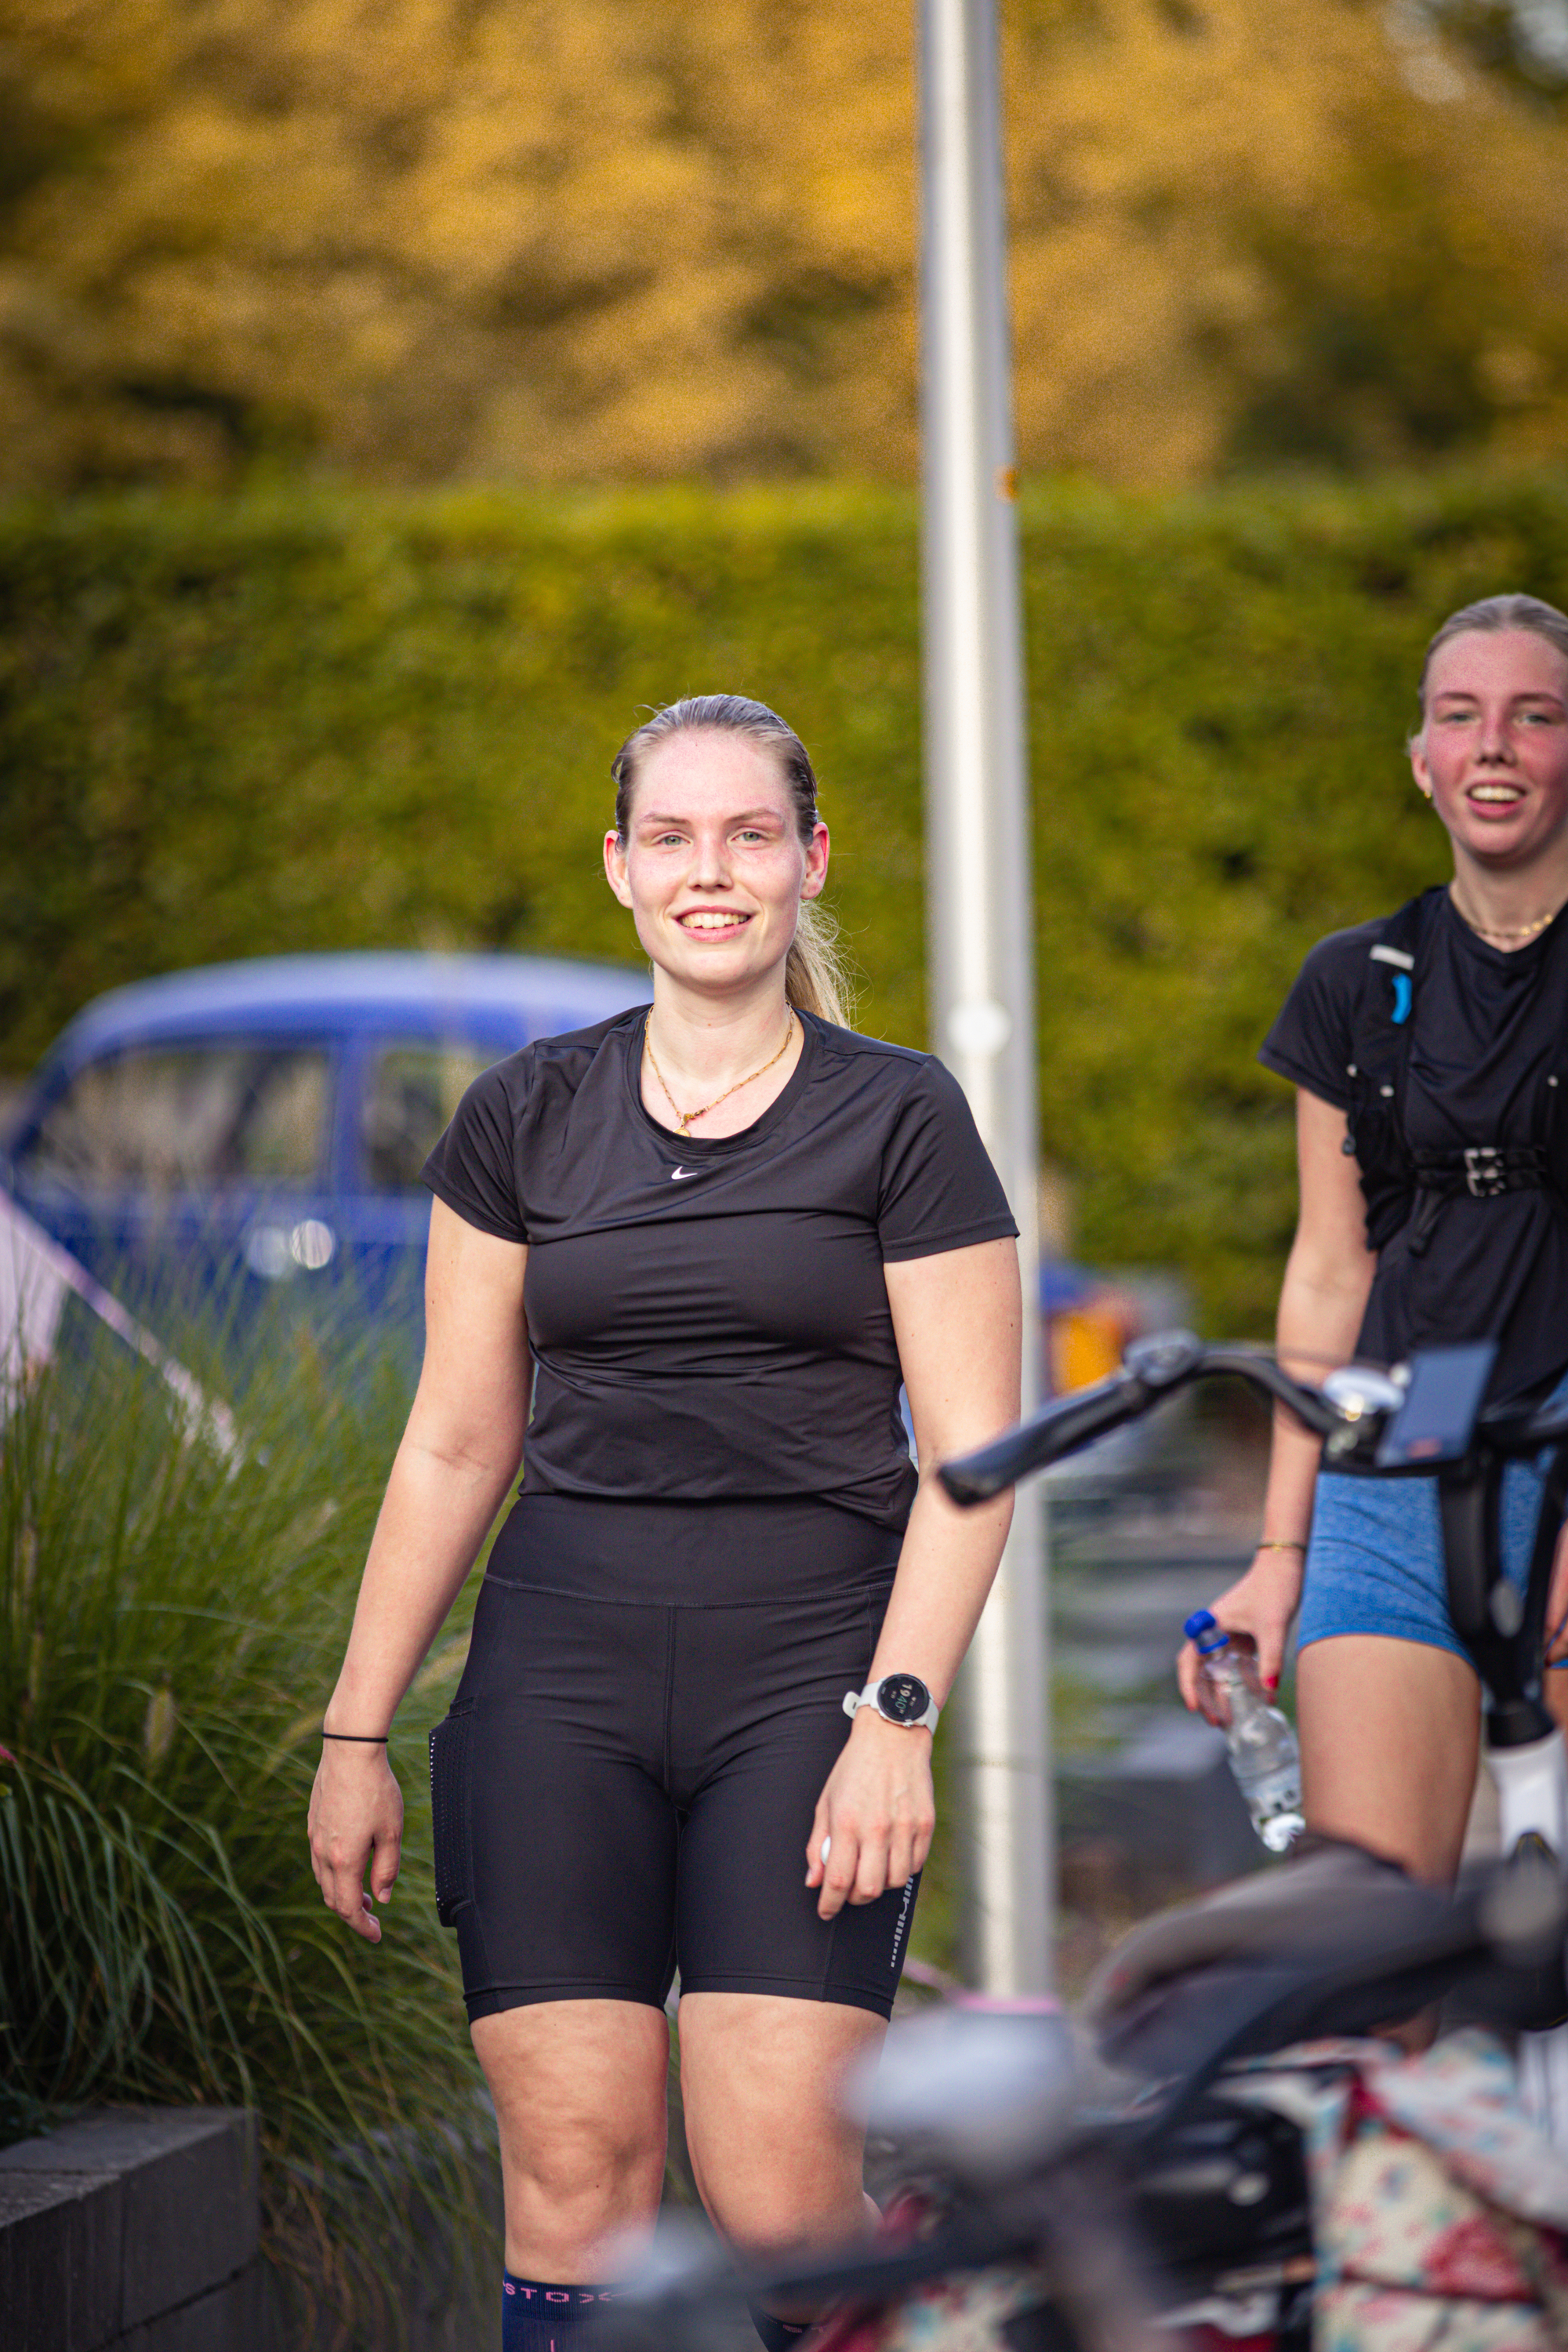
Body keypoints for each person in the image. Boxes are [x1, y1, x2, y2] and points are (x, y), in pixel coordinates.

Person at [307, 695, 1022, 2351]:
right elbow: (454, 1442)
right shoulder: (521, 1114)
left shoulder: (901, 1115)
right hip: (559, 1683)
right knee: (577, 2173)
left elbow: (972, 1458)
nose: (713, 872)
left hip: (811, 1686)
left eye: (749, 835)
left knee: (779, 2196)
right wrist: (354, 1730)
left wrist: (897, 1720)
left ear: (808, 859)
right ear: (621, 868)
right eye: (674, 838)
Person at [1178, 593, 1568, 1888]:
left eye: (1533, 715)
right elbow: (1328, 1268)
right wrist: (1276, 1559)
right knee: (1372, 1927)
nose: (1493, 744)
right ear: (1422, 761)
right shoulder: (1356, 980)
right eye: (1461, 716)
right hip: (1403, 1454)